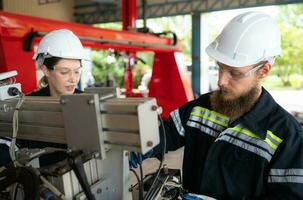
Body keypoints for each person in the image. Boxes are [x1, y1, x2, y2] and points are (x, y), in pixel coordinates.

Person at [153, 12, 303, 199]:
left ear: (263, 70)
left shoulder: (287, 137)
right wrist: (136, 145)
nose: (221, 81)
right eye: (220, 67)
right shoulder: (201, 108)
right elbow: (163, 134)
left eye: (234, 73)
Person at [3, 29, 88, 167]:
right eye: (64, 72)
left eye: (77, 71)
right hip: (40, 183)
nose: (73, 79)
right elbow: (8, 146)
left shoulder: (87, 102)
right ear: (46, 70)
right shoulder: (25, 105)